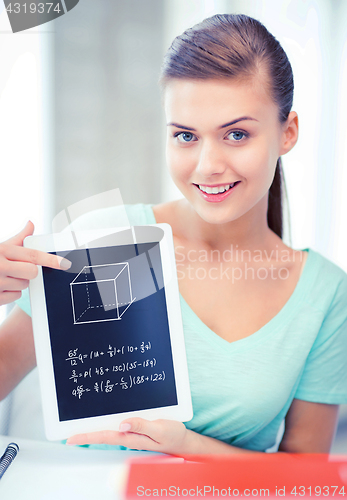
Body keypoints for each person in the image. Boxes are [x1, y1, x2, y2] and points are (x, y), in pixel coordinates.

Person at [0, 13, 346, 455]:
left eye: (236, 134)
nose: (207, 165)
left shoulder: (325, 294)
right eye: (186, 136)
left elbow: (305, 476)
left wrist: (186, 444)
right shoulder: (104, 241)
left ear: (288, 132)